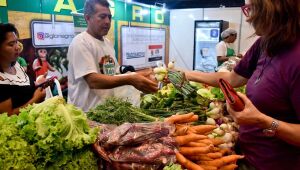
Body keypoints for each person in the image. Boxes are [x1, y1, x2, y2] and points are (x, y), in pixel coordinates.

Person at [185, 0, 300, 169]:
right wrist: (187, 74)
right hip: (245, 154)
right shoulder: (264, 43)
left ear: (275, 7)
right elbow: (232, 79)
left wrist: (264, 121)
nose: (247, 18)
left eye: (251, 8)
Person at [67, 0, 158, 112]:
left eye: (109, 17)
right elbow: (93, 80)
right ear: (87, 18)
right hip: (85, 114)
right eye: (102, 16)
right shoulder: (81, 42)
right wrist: (130, 79)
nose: (107, 21)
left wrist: (140, 75)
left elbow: (113, 73)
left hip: (105, 113)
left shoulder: (108, 43)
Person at [0, 23, 46, 115]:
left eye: (17, 42)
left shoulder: (16, 65)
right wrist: (35, 100)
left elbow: (25, 90)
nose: (17, 47)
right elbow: (7, 115)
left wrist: (37, 83)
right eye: (11, 44)